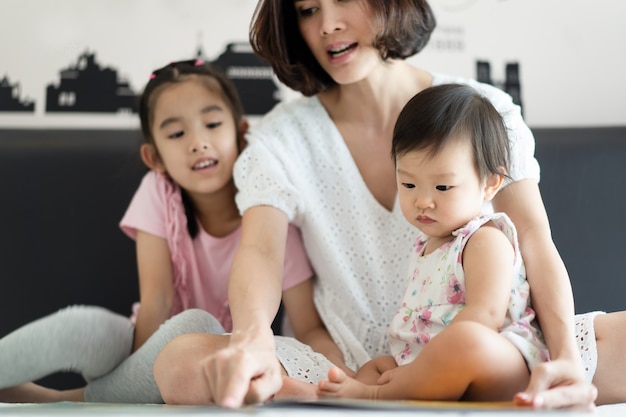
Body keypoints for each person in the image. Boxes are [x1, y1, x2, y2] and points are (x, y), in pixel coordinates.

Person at [153, 0, 626, 409]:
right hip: (351, 367)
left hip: (490, 349)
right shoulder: (281, 138)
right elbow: (259, 250)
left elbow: (534, 240)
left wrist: (565, 358)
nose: (327, 25)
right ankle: (337, 396)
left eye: (344, 1)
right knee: (179, 361)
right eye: (308, 10)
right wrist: (252, 338)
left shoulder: (483, 111)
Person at [0, 59, 336, 403]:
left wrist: (343, 374)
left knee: (196, 325)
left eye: (213, 124)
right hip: (143, 346)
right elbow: (156, 303)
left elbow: (307, 325)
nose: (198, 142)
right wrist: (135, 377)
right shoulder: (158, 192)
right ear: (155, 157)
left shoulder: (270, 215)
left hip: (208, 361)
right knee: (86, 327)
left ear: (240, 134)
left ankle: (65, 401)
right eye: (177, 133)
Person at [317, 83, 550, 401]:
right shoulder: (426, 246)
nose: (422, 201)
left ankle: (373, 397)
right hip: (433, 363)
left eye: (442, 187)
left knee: (466, 338)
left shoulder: (484, 240)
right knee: (377, 365)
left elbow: (486, 316)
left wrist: (422, 365)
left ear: (489, 184)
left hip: (499, 363)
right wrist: (411, 365)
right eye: (409, 183)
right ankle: (355, 390)